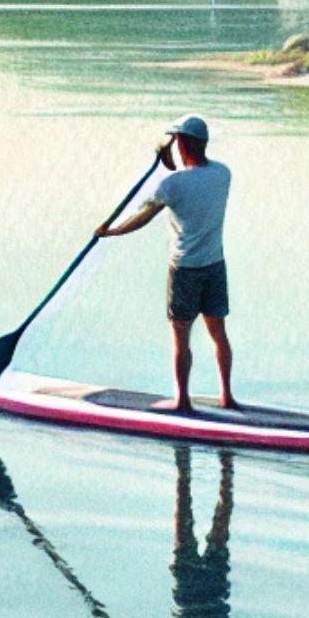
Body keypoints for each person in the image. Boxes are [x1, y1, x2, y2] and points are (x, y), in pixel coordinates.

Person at [96, 114, 235, 413]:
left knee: (181, 336)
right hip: (214, 265)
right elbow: (191, 174)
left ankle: (182, 401)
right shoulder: (223, 174)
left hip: (185, 268)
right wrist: (172, 157)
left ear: (182, 143)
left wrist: (110, 232)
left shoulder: (171, 184)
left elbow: (141, 218)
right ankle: (227, 396)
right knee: (218, 333)